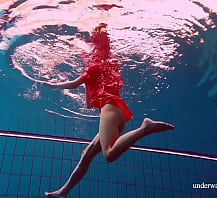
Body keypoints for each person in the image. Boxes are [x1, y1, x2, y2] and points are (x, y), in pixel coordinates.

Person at [42, 23, 175, 198]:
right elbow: (90, 102)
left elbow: (73, 84)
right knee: (86, 155)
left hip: (110, 110)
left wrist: (52, 84)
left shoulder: (93, 67)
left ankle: (145, 128)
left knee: (109, 155)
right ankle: (63, 192)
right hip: (114, 111)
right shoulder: (108, 66)